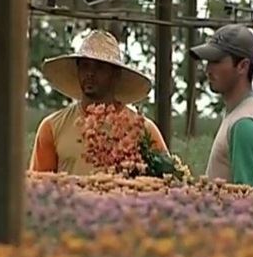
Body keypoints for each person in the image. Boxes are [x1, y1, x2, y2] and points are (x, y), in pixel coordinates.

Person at [29, 30, 168, 175]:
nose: (90, 73)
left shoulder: (143, 131)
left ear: (115, 74)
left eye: (99, 67)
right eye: (85, 66)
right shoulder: (52, 127)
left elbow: (167, 183)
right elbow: (38, 188)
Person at [189, 24, 253, 189]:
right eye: (208, 61)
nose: (208, 69)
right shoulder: (237, 115)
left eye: (216, 61)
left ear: (243, 66)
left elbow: (250, 203)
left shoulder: (245, 124)